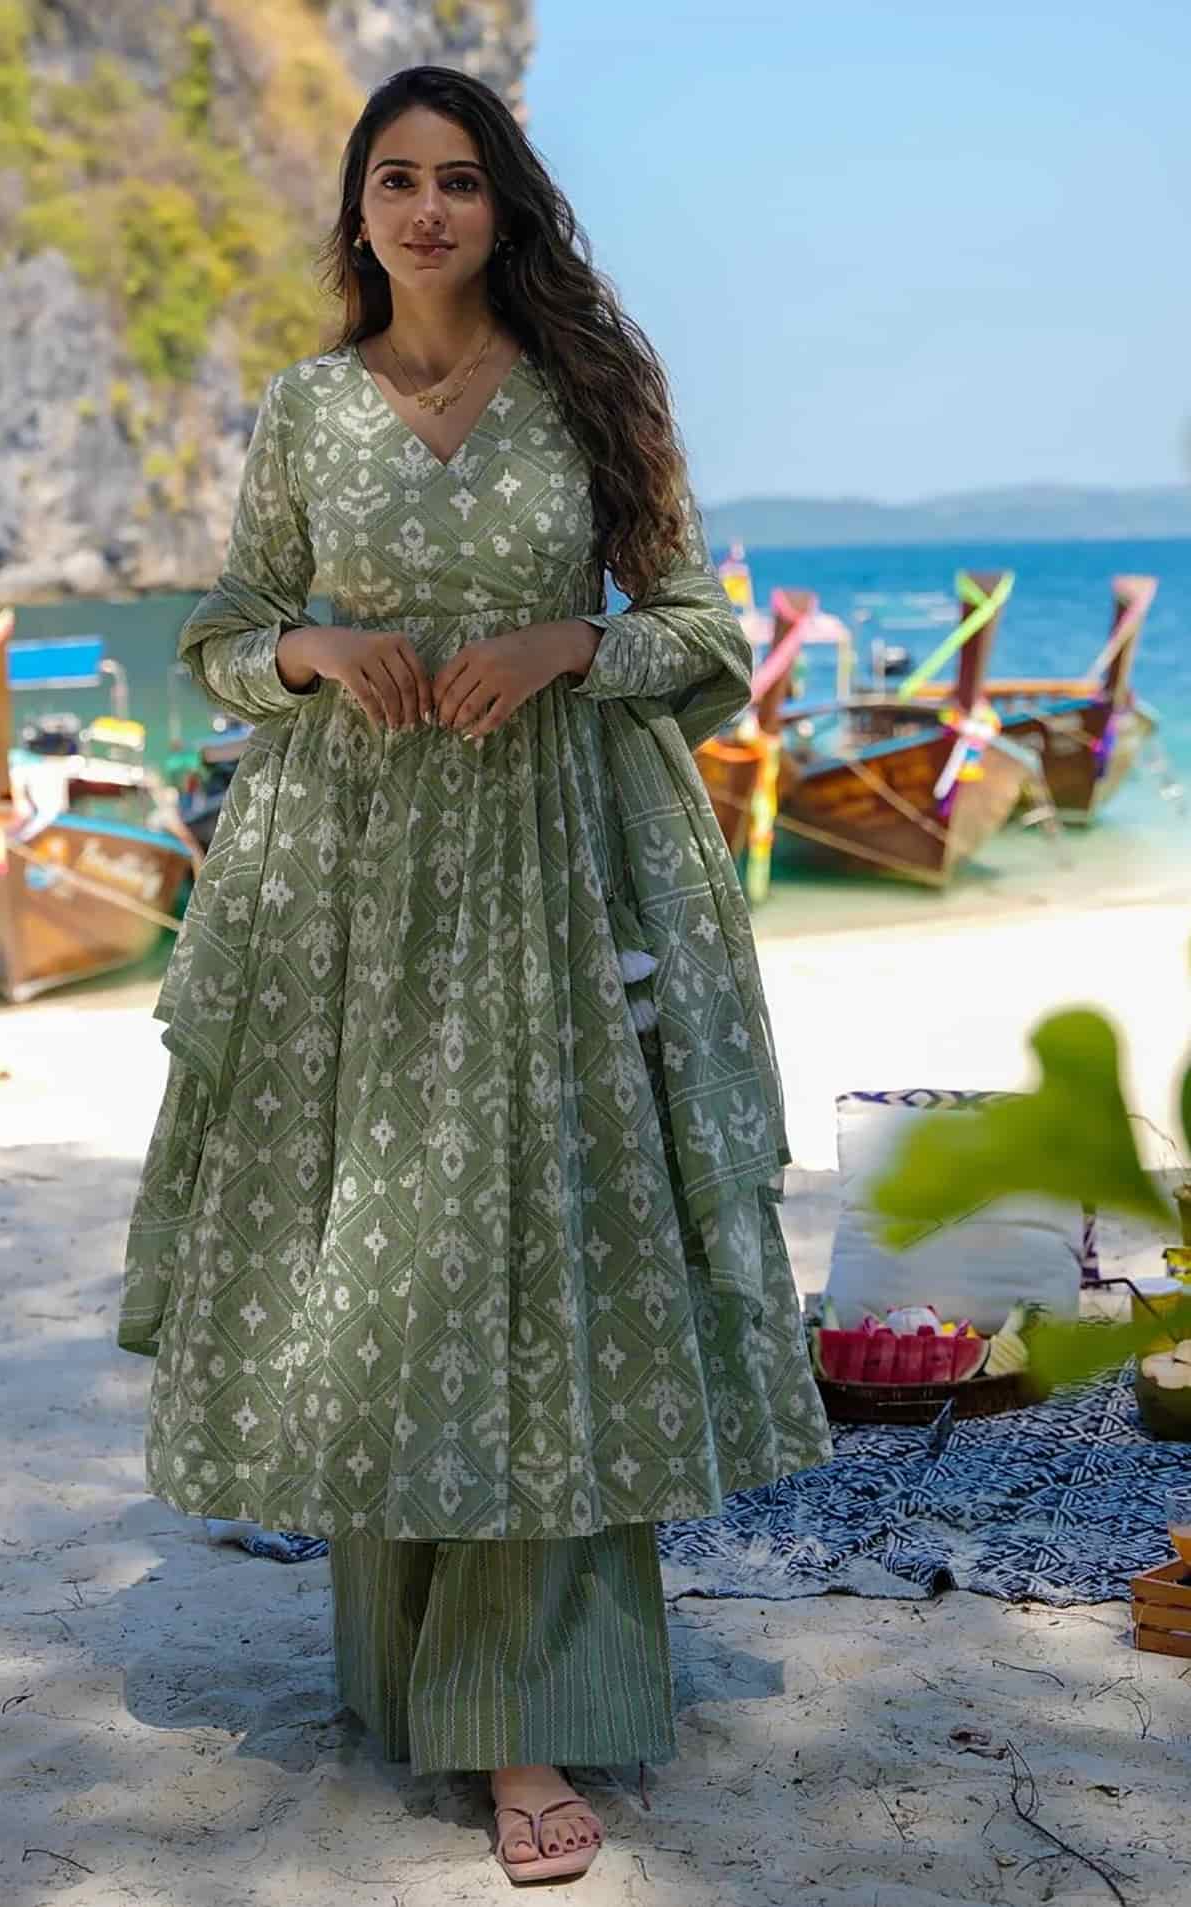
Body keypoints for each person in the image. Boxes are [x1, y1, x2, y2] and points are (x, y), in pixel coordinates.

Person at [117, 63, 832, 1886]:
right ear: (357, 211)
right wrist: (311, 653)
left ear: (505, 204)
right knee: (390, 1267)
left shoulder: (592, 389)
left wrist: (564, 646)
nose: (428, 209)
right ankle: (407, 1679)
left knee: (541, 1272)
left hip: (553, 888)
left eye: (459, 179)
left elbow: (701, 635)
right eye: (395, 180)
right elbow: (218, 638)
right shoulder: (301, 413)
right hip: (348, 903)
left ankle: (526, 1721)